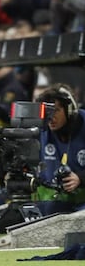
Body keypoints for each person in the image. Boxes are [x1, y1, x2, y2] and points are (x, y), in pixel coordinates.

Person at [35, 83, 85, 215]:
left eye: (55, 110)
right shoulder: (42, 130)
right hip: (56, 203)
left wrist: (81, 178)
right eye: (46, 112)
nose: (50, 117)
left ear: (69, 110)